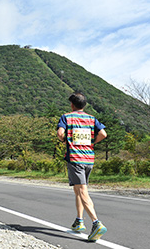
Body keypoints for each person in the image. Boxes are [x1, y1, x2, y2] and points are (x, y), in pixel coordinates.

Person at [56, 92, 108, 242]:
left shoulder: (67, 117)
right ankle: (79, 221)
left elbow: (60, 133)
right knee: (78, 189)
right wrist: (92, 143)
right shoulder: (92, 118)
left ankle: (96, 222)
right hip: (89, 159)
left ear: (72, 105)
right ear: (84, 105)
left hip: (75, 158)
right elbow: (103, 134)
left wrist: (65, 140)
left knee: (82, 191)